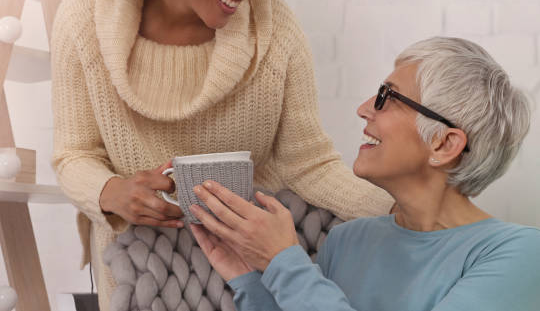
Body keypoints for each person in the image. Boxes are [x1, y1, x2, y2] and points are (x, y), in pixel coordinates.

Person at [50, 0, 392, 309]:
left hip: (255, 273)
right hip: (144, 274)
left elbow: (309, 164)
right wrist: (111, 192)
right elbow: (74, 154)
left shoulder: (275, 29)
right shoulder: (85, 16)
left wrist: (409, 212)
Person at [190, 37, 540, 311]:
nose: (363, 109)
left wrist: (284, 263)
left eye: (388, 97)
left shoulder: (520, 254)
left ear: (444, 144)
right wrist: (250, 279)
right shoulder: (347, 240)